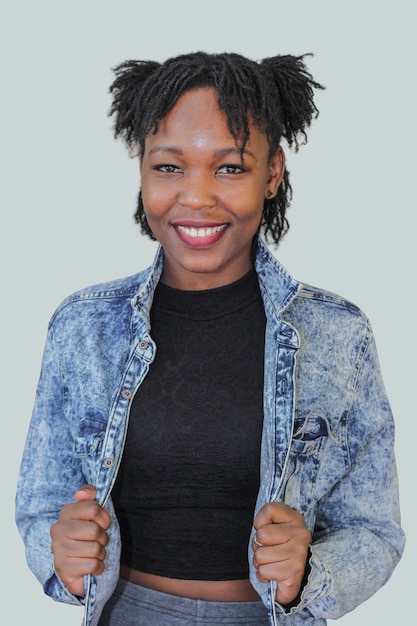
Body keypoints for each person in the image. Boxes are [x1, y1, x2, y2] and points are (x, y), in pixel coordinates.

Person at [16, 51, 405, 626]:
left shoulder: (337, 335)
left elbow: (374, 529)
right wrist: (62, 554)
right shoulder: (82, 327)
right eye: (169, 167)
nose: (196, 197)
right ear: (142, 169)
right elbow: (43, 506)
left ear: (272, 172)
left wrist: (310, 575)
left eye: (229, 168)